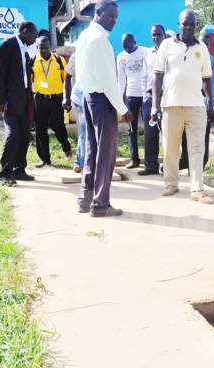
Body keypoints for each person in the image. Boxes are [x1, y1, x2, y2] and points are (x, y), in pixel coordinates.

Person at [75, 0, 133, 217]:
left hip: (88, 98)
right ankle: (100, 204)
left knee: (91, 150)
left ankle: (85, 198)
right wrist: (123, 108)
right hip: (102, 100)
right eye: (110, 16)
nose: (114, 21)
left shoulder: (85, 36)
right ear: (97, 12)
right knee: (105, 153)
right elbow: (107, 79)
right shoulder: (99, 40)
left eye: (116, 17)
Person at [152, 10, 214, 205]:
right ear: (178, 24)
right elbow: (158, 75)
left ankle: (197, 189)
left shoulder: (202, 48)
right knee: (170, 146)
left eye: (192, 24)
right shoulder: (166, 45)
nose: (188, 27)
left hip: (196, 106)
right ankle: (171, 183)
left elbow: (207, 79)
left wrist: (210, 103)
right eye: (185, 24)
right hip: (171, 105)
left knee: (197, 148)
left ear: (196, 26)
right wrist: (155, 105)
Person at [0, 20, 38, 186]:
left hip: (22, 98)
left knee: (24, 134)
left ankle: (19, 169)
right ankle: (4, 173)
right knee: (13, 134)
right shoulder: (8, 44)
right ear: (25, 31)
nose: (35, 40)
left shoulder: (23, 50)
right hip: (8, 100)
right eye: (34, 36)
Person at [179, 30, 214, 171]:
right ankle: (185, 161)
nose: (204, 45)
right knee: (186, 135)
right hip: (188, 103)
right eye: (202, 43)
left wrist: (209, 106)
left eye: (207, 43)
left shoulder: (213, 62)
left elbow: (212, 88)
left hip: (203, 105)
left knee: (202, 137)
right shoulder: (192, 58)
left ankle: (200, 165)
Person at [31, 36, 71, 167]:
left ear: (50, 47)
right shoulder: (33, 61)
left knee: (58, 126)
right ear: (37, 48)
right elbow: (30, 80)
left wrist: (67, 98)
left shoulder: (59, 60)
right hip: (40, 98)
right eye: (41, 48)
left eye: (46, 48)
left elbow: (66, 81)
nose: (44, 50)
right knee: (40, 129)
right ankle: (44, 159)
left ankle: (66, 148)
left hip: (56, 99)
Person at [139, 24, 166, 176]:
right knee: (150, 132)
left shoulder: (169, 52)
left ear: (164, 35)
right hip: (150, 97)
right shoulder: (147, 53)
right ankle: (150, 166)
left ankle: (168, 166)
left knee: (167, 133)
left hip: (166, 96)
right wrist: (145, 96)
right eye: (153, 35)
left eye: (159, 34)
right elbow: (145, 75)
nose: (156, 37)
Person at [117, 33, 146, 169]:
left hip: (146, 95)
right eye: (124, 46)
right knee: (131, 129)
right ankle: (134, 159)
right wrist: (119, 100)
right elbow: (121, 80)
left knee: (150, 127)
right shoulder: (121, 57)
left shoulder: (145, 52)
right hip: (131, 96)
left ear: (134, 42)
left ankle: (150, 159)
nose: (126, 48)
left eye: (128, 45)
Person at [63, 52, 86, 173]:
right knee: (85, 132)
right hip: (79, 99)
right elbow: (67, 77)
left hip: (93, 98)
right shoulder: (75, 56)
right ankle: (82, 165)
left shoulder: (97, 53)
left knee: (84, 133)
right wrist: (65, 97)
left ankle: (78, 163)